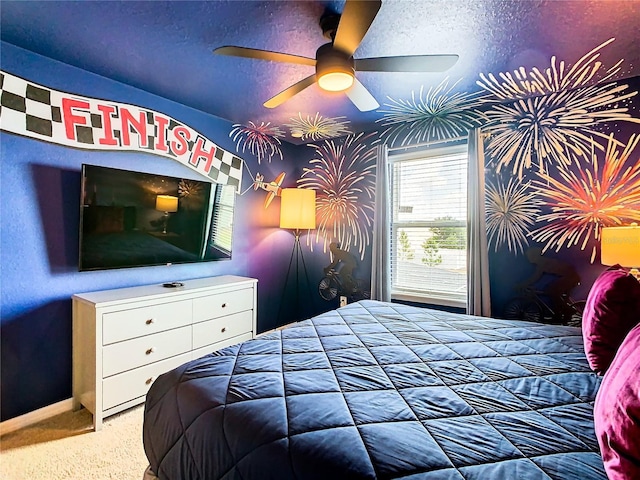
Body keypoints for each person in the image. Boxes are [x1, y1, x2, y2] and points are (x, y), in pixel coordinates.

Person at [516, 247, 580, 322]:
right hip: (570, 276)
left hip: (570, 277)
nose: (528, 258)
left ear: (534, 256)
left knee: (551, 291)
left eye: (529, 256)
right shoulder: (542, 262)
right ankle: (561, 313)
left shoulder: (542, 263)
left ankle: (567, 311)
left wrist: (521, 285)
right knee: (552, 291)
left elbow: (535, 278)